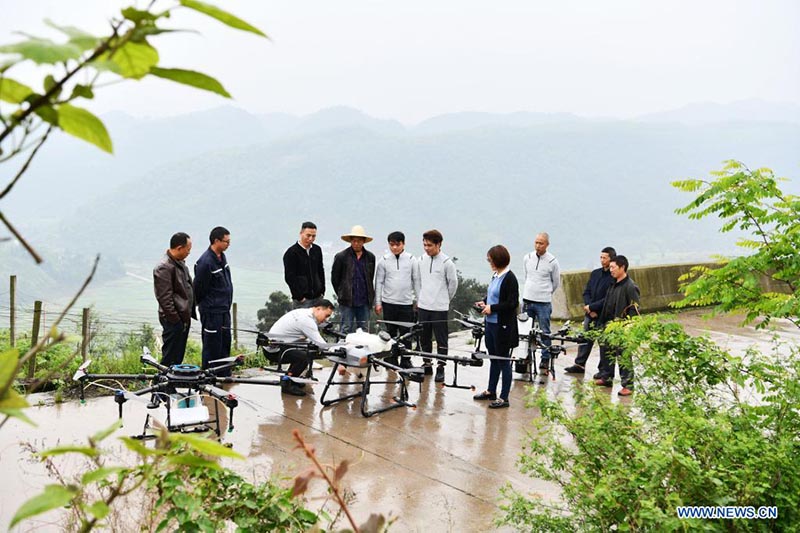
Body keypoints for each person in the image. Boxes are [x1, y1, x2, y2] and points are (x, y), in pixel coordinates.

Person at [473, 245, 519, 409]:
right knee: (493, 358)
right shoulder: (496, 275)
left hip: (502, 325)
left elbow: (511, 303)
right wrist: (484, 302)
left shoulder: (510, 278)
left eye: (491, 260)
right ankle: (491, 390)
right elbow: (493, 295)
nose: (490, 263)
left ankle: (504, 396)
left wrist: (492, 308)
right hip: (491, 323)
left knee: (503, 360)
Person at [565, 247, 616, 376]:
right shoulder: (595, 273)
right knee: (585, 339)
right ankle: (579, 364)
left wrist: (593, 307)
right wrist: (588, 307)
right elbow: (587, 291)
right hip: (590, 313)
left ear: (611, 259)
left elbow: (609, 297)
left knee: (604, 344)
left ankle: (603, 371)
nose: (602, 260)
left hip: (603, 314)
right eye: (601, 257)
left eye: (605, 258)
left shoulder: (613, 277)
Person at [594, 255, 640, 396]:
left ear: (622, 267)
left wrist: (628, 327)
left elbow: (634, 309)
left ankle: (628, 385)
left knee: (623, 356)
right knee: (606, 352)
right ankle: (606, 377)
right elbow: (607, 304)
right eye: (610, 267)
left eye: (613, 267)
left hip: (621, 327)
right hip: (608, 324)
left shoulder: (630, 287)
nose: (611, 270)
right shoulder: (613, 284)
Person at [415, 229, 458, 383]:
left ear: (438, 244)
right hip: (424, 305)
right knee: (424, 337)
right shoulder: (421, 260)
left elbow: (453, 284)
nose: (427, 248)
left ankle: (441, 366)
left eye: (430, 245)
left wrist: (445, 299)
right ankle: (427, 363)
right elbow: (418, 281)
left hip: (440, 307)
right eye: (424, 245)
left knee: (441, 339)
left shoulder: (447, 263)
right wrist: (420, 298)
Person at [268, 299, 335, 396]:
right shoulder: (307, 320)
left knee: (307, 350)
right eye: (326, 316)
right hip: (274, 350)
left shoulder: (303, 312)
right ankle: (287, 384)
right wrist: (337, 354)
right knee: (305, 356)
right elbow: (322, 345)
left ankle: (292, 379)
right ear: (318, 309)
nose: (326, 320)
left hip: (279, 345)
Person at [374, 231, 419, 368]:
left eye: (397, 244)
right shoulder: (384, 260)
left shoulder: (412, 259)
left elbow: (416, 281)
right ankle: (391, 359)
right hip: (388, 302)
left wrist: (418, 299)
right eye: (391, 244)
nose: (394, 247)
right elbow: (379, 282)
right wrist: (378, 302)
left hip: (406, 303)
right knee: (390, 333)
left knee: (406, 334)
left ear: (403, 244)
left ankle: (406, 360)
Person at [194, 226, 233, 376]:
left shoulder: (222, 257)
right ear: (216, 241)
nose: (228, 244)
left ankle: (224, 374)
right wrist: (208, 305)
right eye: (226, 241)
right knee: (212, 345)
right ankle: (209, 376)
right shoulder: (205, 262)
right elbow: (199, 289)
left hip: (224, 309)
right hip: (211, 312)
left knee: (225, 343)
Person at [153, 232, 196, 367]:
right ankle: (165, 379)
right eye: (188, 249)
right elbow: (164, 298)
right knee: (170, 356)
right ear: (179, 248)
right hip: (173, 320)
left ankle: (175, 378)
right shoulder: (164, 267)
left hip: (183, 317)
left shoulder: (179, 263)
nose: (189, 252)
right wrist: (176, 320)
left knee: (178, 355)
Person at [521, 232, 560, 378]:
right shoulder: (527, 257)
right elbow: (526, 276)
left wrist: (546, 292)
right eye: (536, 242)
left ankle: (545, 357)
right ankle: (525, 355)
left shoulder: (552, 261)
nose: (538, 246)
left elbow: (555, 282)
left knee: (545, 331)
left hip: (543, 301)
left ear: (547, 245)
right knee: (525, 330)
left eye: (541, 243)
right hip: (528, 299)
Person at [331, 225, 376, 334]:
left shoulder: (370, 257)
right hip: (347, 302)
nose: (356, 243)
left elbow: (370, 278)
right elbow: (335, 279)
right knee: (346, 329)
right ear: (350, 241)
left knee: (364, 330)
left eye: (359, 241)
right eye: (354, 241)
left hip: (364, 301)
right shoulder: (341, 257)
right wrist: (342, 293)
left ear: (363, 241)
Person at [283, 221, 325, 308]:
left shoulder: (317, 250)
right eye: (308, 235)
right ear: (301, 233)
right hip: (302, 300)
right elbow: (289, 277)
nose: (310, 239)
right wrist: (299, 297)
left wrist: (322, 290)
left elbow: (320, 271)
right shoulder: (291, 253)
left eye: (313, 236)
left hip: (318, 298)